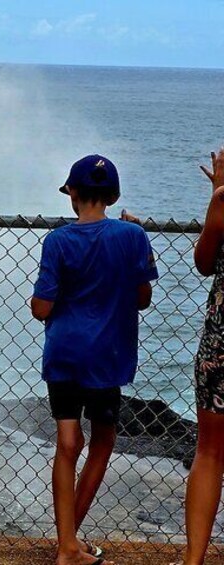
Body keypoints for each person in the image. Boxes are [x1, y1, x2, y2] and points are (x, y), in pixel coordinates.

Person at [31, 155, 158, 565]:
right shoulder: (133, 236)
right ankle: (68, 544)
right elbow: (143, 298)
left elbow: (41, 307)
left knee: (68, 442)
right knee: (102, 440)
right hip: (108, 353)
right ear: (113, 195)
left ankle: (67, 543)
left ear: (72, 193)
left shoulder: (58, 241)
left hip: (65, 350)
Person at [174, 149, 224, 565]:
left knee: (209, 451)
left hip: (221, 342)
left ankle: (194, 560)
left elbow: (204, 262)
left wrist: (216, 198)